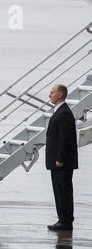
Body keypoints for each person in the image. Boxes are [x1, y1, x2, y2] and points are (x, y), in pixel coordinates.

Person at [46, 84, 78, 231]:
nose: (49, 95)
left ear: (60, 95)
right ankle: (62, 219)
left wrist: (60, 159)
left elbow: (65, 139)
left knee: (63, 191)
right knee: (59, 191)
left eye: (52, 93)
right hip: (57, 161)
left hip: (61, 162)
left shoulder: (64, 113)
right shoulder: (59, 111)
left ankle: (66, 221)